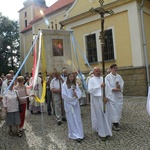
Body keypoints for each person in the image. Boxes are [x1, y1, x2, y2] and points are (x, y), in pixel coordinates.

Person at [88, 67, 112, 141]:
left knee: (106, 115)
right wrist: (99, 86)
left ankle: (107, 131)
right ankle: (102, 133)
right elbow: (90, 90)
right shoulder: (91, 80)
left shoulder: (103, 78)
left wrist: (107, 97)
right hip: (97, 101)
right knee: (100, 116)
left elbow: (108, 88)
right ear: (93, 72)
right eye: (96, 71)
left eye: (99, 71)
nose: (98, 72)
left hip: (104, 100)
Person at [61, 72, 84, 143]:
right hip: (68, 103)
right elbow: (63, 95)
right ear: (68, 77)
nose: (71, 78)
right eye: (70, 77)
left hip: (75, 104)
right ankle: (73, 134)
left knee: (77, 118)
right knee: (71, 119)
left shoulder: (75, 84)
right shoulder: (64, 85)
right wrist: (72, 100)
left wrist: (76, 95)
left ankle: (79, 133)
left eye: (72, 77)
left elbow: (79, 93)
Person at [105, 64, 124, 131]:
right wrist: (112, 89)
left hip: (118, 95)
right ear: (111, 69)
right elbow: (107, 86)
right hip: (112, 95)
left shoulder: (119, 76)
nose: (115, 69)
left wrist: (119, 87)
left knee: (118, 108)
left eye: (116, 68)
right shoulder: (108, 77)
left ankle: (117, 121)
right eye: (114, 68)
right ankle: (114, 123)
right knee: (113, 109)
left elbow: (122, 83)